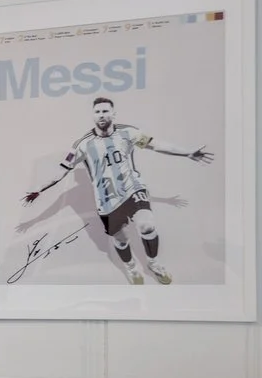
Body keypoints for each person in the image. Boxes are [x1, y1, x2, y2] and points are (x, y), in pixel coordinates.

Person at [21, 94, 213, 284]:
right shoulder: (82, 145)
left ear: (113, 113)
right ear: (93, 115)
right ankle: (130, 267)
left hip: (132, 189)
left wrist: (187, 153)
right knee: (120, 240)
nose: (101, 115)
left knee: (147, 226)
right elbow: (62, 171)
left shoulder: (129, 133)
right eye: (97, 112)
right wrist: (40, 189)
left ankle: (153, 263)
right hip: (106, 201)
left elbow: (156, 145)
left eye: (105, 111)